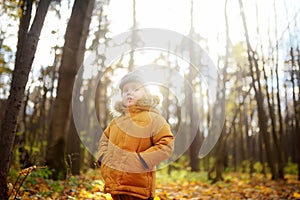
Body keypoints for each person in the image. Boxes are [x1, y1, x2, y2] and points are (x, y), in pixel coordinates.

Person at [97, 70, 174, 200]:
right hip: (115, 185)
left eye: (135, 89)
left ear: (146, 94)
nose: (129, 92)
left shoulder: (153, 118)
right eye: (125, 90)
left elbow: (167, 144)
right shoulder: (115, 123)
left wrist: (141, 160)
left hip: (139, 187)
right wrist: (104, 158)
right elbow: (104, 141)